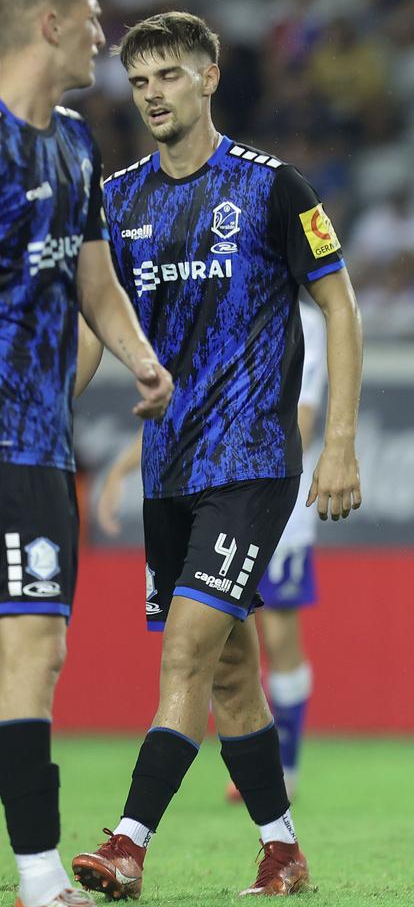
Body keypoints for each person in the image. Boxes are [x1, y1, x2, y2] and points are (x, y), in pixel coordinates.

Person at [70, 11, 363, 903]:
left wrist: (339, 441)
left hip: (252, 460)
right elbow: (94, 327)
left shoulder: (275, 188)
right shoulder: (116, 200)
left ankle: (127, 843)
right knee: (230, 668)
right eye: (140, 80)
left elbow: (341, 310)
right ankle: (282, 852)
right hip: (170, 468)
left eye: (169, 75)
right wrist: (45, 420)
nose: (153, 93)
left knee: (186, 655)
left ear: (209, 76)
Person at [0, 0, 173, 907]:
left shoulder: (72, 150)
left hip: (35, 445)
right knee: (28, 653)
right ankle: (38, 887)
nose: (107, 35)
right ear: (49, 25)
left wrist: (142, 361)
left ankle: (36, 884)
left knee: (37, 651)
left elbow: (94, 283)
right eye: (94, 18)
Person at [94, 298, 327, 799]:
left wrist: (266, 483)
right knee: (219, 644)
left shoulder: (305, 321)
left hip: (267, 503)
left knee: (281, 637)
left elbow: (302, 416)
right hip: (214, 500)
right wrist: (123, 465)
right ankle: (255, 776)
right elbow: (187, 409)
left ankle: (286, 767)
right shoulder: (217, 305)